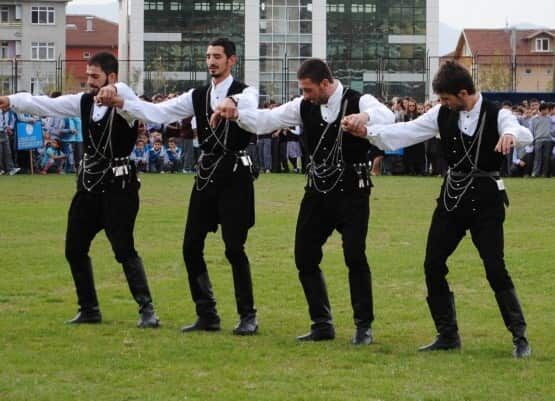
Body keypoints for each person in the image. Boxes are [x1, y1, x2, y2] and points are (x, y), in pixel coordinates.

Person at [347, 61, 533, 358]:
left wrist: (511, 135)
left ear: (463, 93)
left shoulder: (498, 113)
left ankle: (519, 337)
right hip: (451, 200)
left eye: (446, 98)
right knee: (433, 264)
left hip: (486, 202)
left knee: (494, 268)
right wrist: (367, 132)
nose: (443, 104)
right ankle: (447, 335)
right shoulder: (441, 114)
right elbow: (405, 132)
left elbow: (519, 131)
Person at [213, 58, 394, 344]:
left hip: (353, 193)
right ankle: (322, 323)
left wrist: (364, 117)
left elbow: (387, 115)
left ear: (325, 83)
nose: (305, 95)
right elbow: (267, 119)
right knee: (304, 255)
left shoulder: (359, 100)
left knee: (354, 256)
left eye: (308, 89)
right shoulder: (303, 106)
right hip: (317, 191)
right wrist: (237, 115)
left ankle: (363, 326)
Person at [96, 38, 260, 335]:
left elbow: (250, 105)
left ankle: (247, 315)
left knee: (234, 248)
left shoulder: (245, 91)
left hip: (235, 177)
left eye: (217, 56)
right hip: (206, 177)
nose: (211, 62)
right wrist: (122, 102)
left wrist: (232, 103)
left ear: (232, 60)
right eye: (208, 56)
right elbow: (159, 112)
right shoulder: (197, 96)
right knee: (190, 246)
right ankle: (207, 314)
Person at [0, 52, 160, 328]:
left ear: (111, 77)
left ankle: (147, 309)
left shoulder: (125, 106)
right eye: (88, 75)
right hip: (88, 187)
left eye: (95, 76)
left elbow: (126, 92)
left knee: (123, 249)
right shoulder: (84, 102)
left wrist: (115, 89)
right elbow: (46, 104)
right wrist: (11, 100)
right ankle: (89, 309)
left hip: (119, 188)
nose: (89, 81)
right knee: (74, 248)